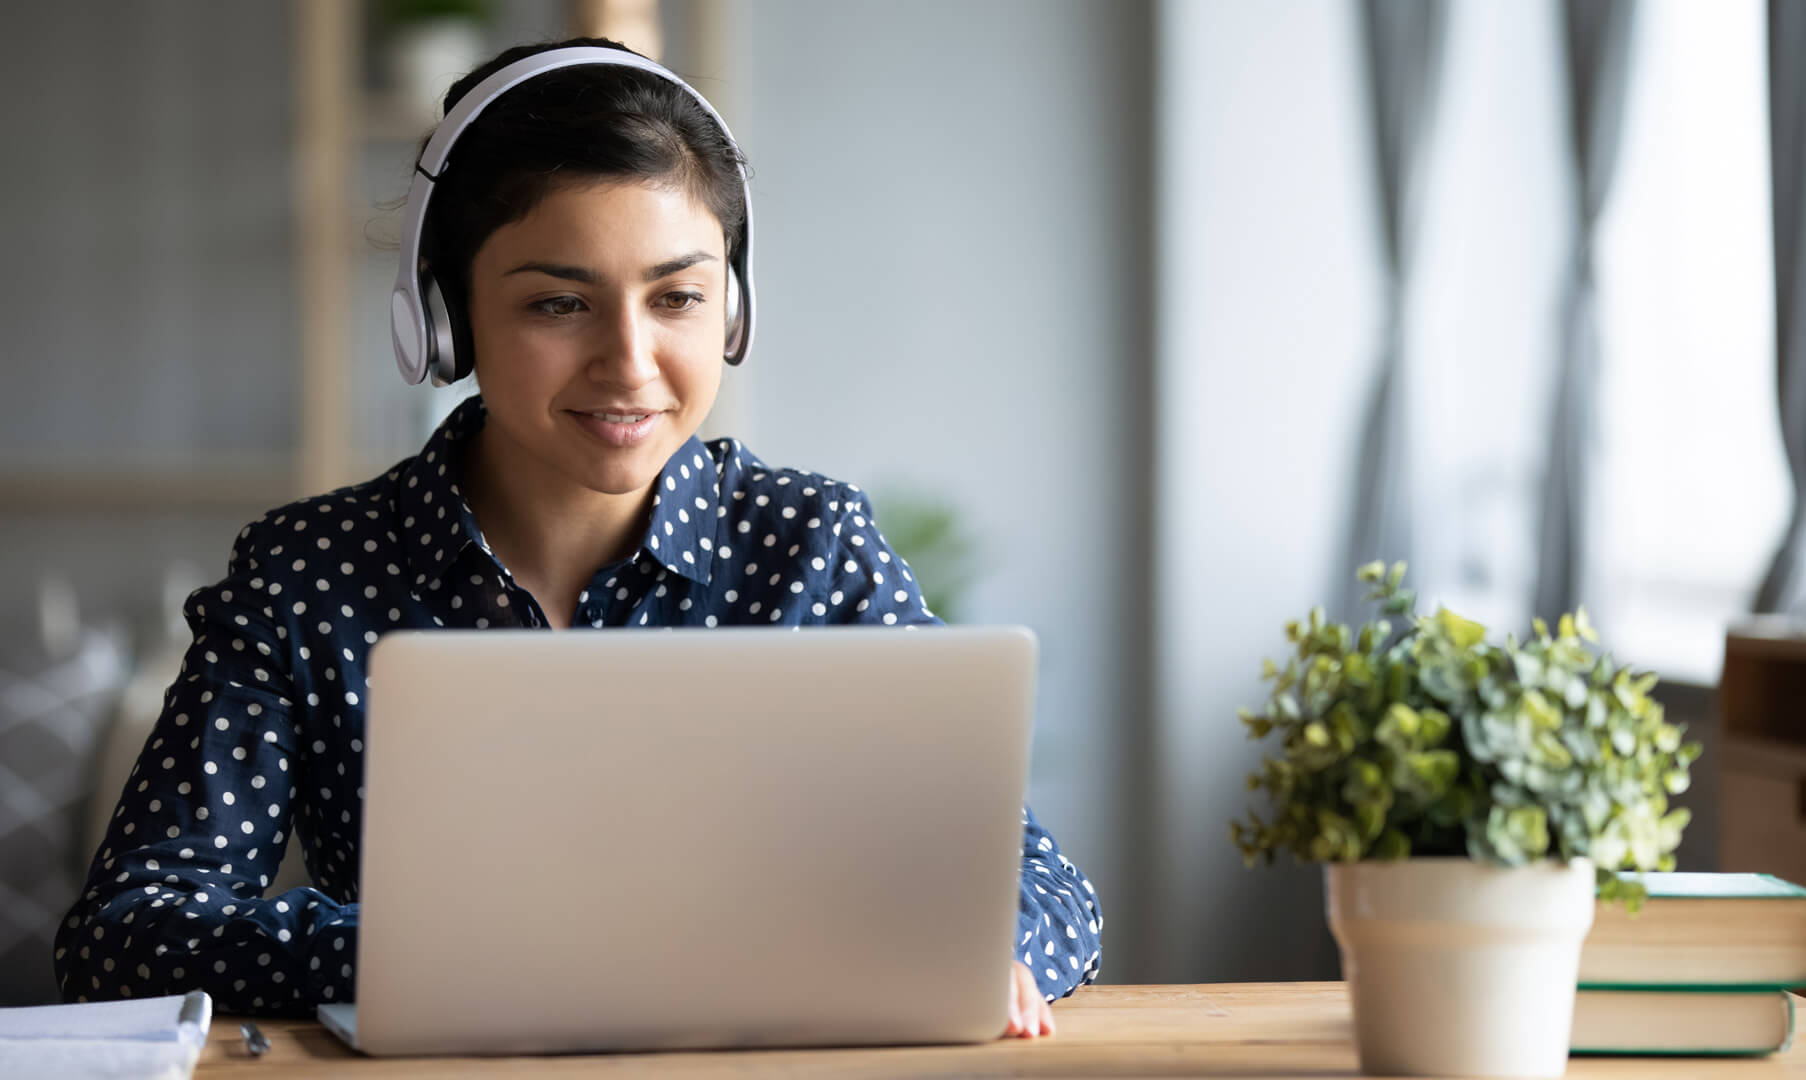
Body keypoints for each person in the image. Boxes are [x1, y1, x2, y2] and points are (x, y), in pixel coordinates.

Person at [52, 38, 1100, 1040]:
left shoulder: (811, 548)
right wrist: (439, 954)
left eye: (679, 297)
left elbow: (1048, 891)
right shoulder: (308, 575)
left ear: (730, 309)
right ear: (444, 318)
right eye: (560, 303)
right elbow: (126, 934)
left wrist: (974, 946)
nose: (631, 362)